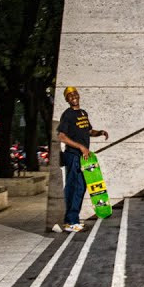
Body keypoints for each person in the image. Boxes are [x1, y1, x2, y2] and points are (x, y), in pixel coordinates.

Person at [56, 86, 108, 232]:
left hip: (82, 157)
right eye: (69, 95)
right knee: (74, 187)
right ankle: (71, 222)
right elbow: (62, 136)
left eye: (74, 93)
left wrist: (99, 132)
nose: (73, 96)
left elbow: (88, 131)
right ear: (66, 99)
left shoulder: (83, 113)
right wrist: (81, 147)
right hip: (73, 155)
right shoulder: (67, 114)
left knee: (80, 187)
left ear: (78, 95)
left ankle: (73, 220)